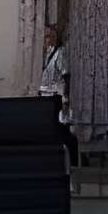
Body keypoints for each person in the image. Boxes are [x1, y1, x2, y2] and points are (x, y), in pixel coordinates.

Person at [38, 21, 75, 163]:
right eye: (47, 36)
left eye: (52, 36)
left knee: (60, 130)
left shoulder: (60, 52)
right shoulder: (44, 54)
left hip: (55, 96)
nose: (50, 39)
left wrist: (66, 96)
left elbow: (66, 74)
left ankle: (71, 159)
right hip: (44, 95)